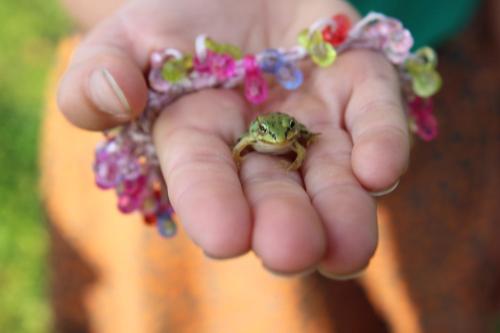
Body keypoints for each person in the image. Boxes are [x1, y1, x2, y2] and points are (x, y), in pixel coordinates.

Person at [46, 0, 499, 331]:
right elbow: (244, 143)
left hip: (430, 56)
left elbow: (298, 141)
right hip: (186, 91)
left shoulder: (291, 135)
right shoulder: (253, 136)